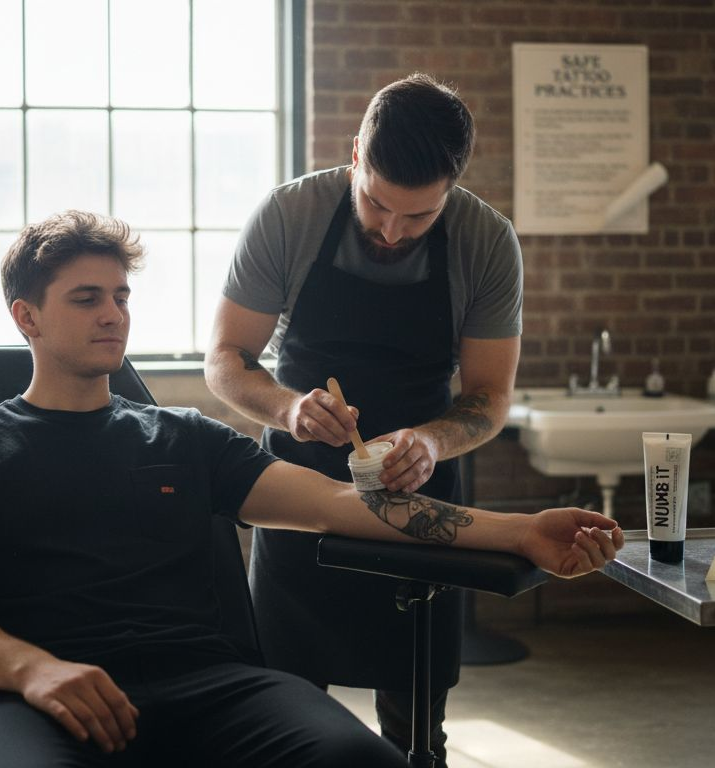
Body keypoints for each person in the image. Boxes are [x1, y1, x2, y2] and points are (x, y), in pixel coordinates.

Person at [0, 211, 622, 767]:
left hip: (206, 684)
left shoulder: (181, 437)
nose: (114, 314)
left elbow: (344, 503)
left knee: (360, 760)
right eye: (86, 299)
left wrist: (519, 529)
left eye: (119, 294)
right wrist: (35, 670)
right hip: (38, 696)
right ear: (27, 317)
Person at [205, 73, 523, 759]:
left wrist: (432, 441)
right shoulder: (289, 216)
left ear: (451, 189)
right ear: (355, 155)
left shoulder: (486, 241)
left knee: (417, 722)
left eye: (418, 217)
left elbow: (490, 396)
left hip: (419, 488)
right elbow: (225, 359)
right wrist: (289, 407)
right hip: (296, 485)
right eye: (377, 203)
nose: (390, 229)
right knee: (286, 717)